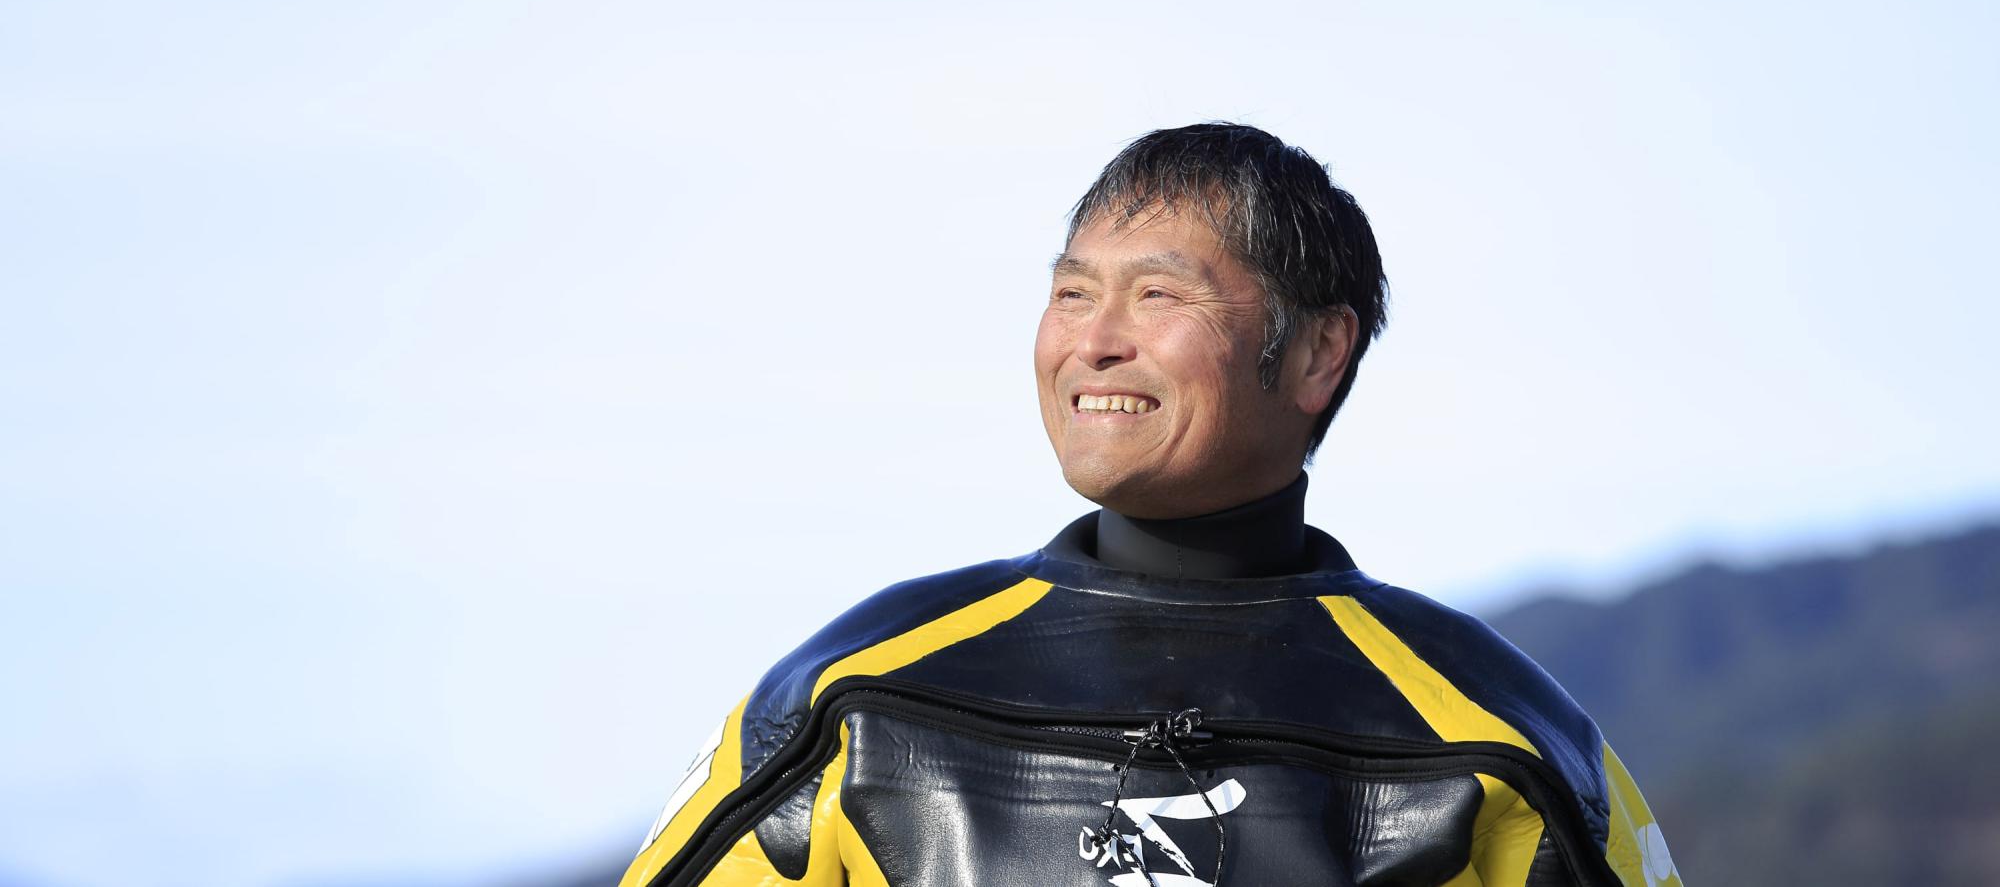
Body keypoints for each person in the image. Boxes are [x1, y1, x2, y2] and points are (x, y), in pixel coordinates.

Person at [618, 124, 1683, 887]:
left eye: (1158, 294)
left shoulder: (1493, 745)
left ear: (1318, 351)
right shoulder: (859, 697)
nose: (1093, 340)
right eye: (1072, 292)